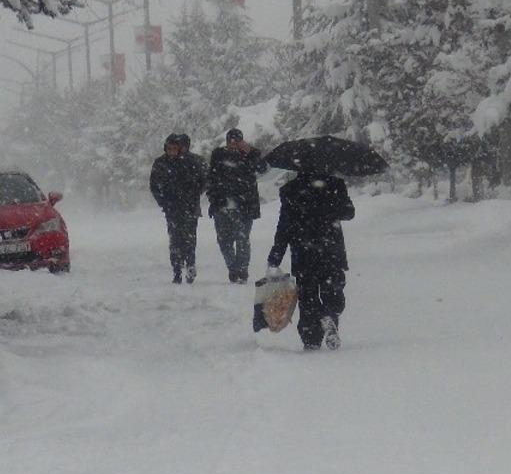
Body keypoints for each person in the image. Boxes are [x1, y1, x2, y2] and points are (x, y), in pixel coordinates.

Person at [265, 172, 356, 350]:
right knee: (333, 292)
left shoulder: (291, 189)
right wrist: (331, 204)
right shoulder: (335, 185)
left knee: (308, 296)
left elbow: (284, 225)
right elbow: (349, 212)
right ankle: (329, 315)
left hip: (303, 251)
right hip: (331, 249)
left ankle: (311, 338)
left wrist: (276, 254)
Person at [206, 128, 267, 284]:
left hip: (245, 206)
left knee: (242, 240)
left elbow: (263, 168)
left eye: (237, 141)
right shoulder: (218, 155)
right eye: (231, 141)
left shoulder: (249, 155)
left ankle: (243, 270)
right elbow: (211, 178)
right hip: (222, 205)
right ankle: (233, 267)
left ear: (242, 142)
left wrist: (252, 151)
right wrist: (214, 198)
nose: (233, 144)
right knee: (223, 241)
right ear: (226, 142)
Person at [149, 133, 207, 284]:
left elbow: (203, 181)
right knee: (175, 239)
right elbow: (154, 186)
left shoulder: (191, 162)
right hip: (172, 208)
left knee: (190, 238)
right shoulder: (160, 163)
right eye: (169, 148)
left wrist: (194, 194)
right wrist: (163, 202)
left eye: (175, 148)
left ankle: (190, 265)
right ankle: (176, 269)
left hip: (190, 207)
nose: (172, 151)